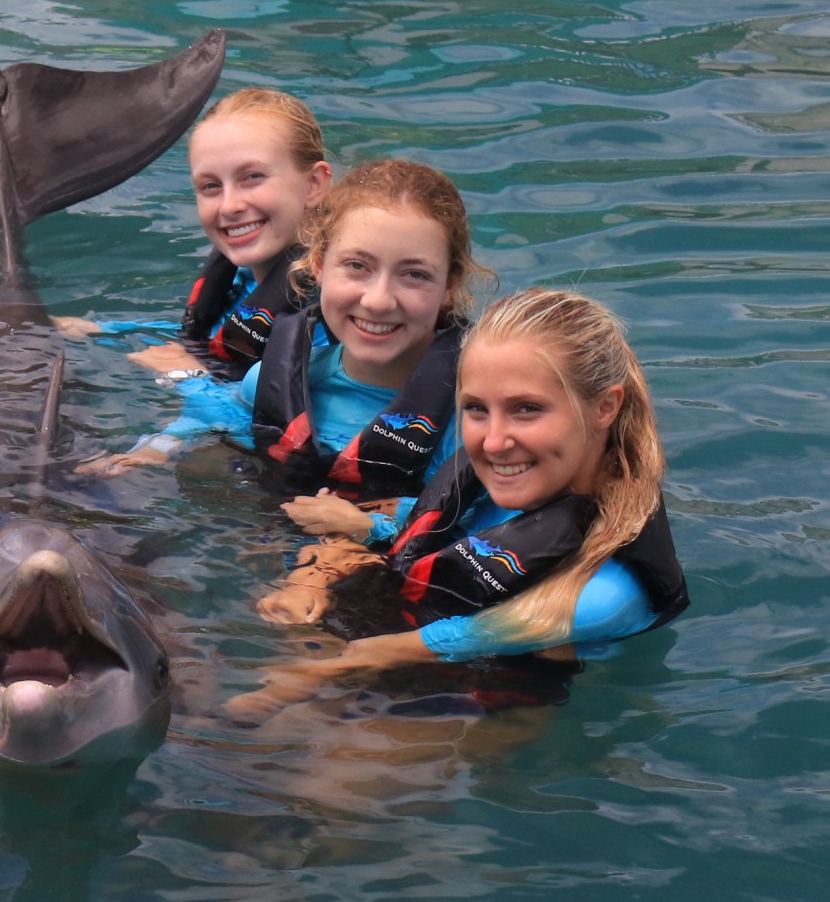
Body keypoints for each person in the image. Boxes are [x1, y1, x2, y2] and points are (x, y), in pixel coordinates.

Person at [229, 289, 690, 720]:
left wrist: (302, 680)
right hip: (402, 644)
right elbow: (420, 534)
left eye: (527, 409)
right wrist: (312, 575)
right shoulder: (499, 489)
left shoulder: (608, 590)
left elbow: (426, 645)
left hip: (495, 697)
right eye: (476, 409)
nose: (493, 441)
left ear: (604, 408)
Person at [82, 159, 484, 516]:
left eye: (414, 275)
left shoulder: (471, 416)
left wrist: (367, 529)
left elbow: (468, 513)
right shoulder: (279, 378)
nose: (378, 301)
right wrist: (158, 446)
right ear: (320, 266)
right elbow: (221, 410)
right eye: (357, 265)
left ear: (449, 285)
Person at [94, 88, 331, 377]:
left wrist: (191, 376)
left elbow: (313, 413)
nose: (229, 206)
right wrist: (104, 332)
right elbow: (207, 339)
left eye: (252, 177)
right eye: (210, 186)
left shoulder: (334, 311)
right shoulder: (245, 278)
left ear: (313, 184)